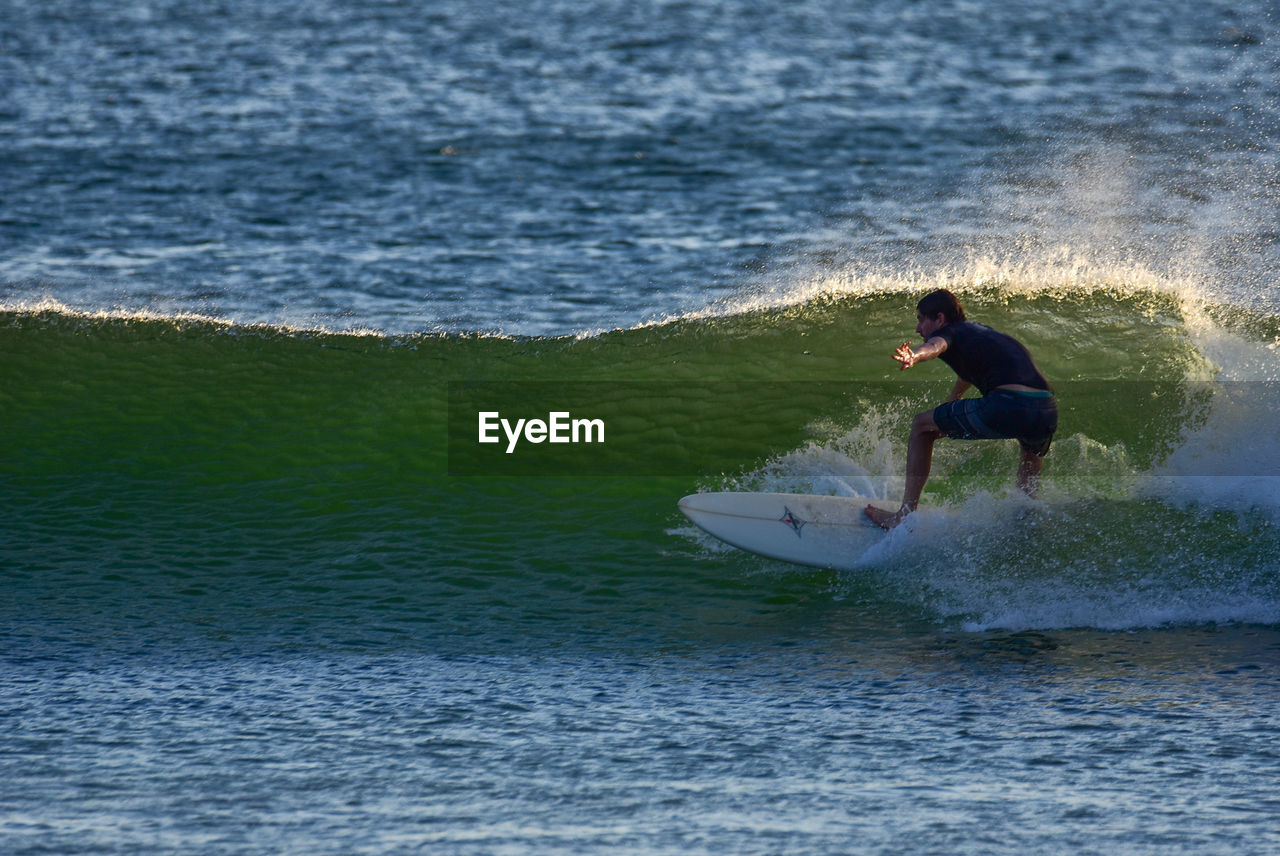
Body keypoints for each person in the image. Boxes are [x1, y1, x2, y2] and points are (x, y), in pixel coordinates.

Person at [864, 289, 1057, 530]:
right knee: (1030, 450)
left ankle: (903, 516)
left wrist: (914, 356)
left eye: (921, 319)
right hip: (1046, 409)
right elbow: (969, 373)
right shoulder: (980, 333)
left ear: (940, 319)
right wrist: (952, 400)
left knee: (921, 426)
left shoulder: (949, 333)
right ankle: (1025, 518)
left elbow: (935, 346)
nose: (917, 329)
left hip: (1008, 404)